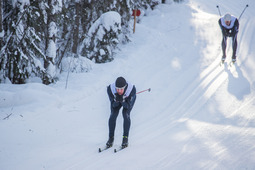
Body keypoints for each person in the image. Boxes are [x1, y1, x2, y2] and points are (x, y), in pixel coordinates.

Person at [106, 77, 136, 148]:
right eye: (117, 89)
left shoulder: (131, 90)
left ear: (125, 87)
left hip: (127, 100)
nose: (119, 91)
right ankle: (111, 138)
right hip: (117, 99)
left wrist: (123, 100)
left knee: (125, 114)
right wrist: (116, 101)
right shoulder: (110, 89)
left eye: (121, 89)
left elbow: (127, 106)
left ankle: (125, 138)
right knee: (113, 115)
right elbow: (113, 105)